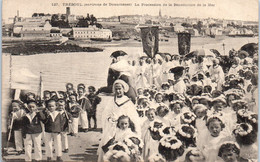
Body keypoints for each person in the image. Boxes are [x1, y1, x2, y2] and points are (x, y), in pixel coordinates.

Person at [98, 79, 140, 162]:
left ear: (124, 89)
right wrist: (110, 118)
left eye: (120, 88)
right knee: (108, 144)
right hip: (112, 127)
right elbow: (106, 113)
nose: (118, 91)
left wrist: (123, 120)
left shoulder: (128, 102)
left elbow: (133, 116)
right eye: (116, 89)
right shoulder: (111, 101)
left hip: (124, 126)